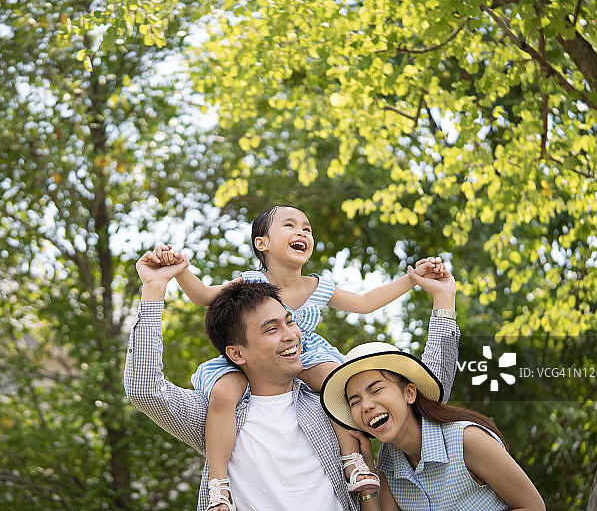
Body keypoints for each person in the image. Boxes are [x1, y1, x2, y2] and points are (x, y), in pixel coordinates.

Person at [152, 205, 447, 509]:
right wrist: (181, 269)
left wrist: (412, 279)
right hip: (259, 358)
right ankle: (218, 484)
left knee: (336, 384)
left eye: (306, 228)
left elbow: (366, 302)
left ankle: (351, 460)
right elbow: (202, 296)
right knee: (224, 394)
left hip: (306, 352)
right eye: (289, 226)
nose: (301, 232)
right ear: (261, 243)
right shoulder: (251, 282)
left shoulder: (316, 286)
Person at [320, 342, 546, 510]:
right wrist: (368, 478)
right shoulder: (388, 463)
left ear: (409, 393)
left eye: (376, 390)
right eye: (355, 401)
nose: (366, 405)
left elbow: (534, 507)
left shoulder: (466, 439)